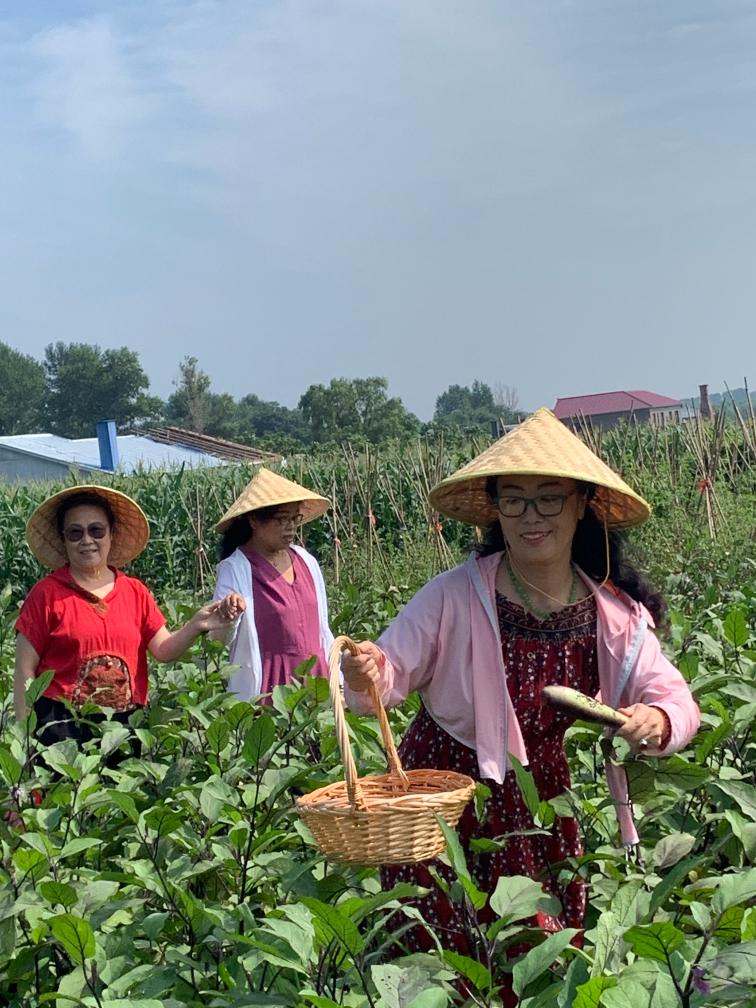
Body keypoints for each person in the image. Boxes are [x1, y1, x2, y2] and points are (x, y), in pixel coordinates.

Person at [341, 408, 700, 1000]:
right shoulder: (453, 595)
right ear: (496, 510)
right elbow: (389, 671)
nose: (532, 516)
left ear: (580, 504)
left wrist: (658, 719)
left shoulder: (612, 612)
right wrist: (367, 669)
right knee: (439, 963)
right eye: (514, 500)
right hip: (447, 800)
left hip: (542, 805)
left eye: (549, 499)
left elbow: (673, 696)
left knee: (539, 959)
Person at [14, 485, 244, 746]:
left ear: (111, 534)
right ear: (64, 539)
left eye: (96, 530)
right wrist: (24, 737)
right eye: (75, 533)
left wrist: (197, 624)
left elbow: (163, 650)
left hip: (123, 725)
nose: (86, 540)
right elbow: (24, 669)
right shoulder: (46, 595)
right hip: (60, 726)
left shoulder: (134, 592)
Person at [212, 467, 333, 701]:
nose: (291, 526)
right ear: (254, 521)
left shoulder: (306, 561)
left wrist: (338, 681)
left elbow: (323, 630)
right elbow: (218, 641)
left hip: (317, 683)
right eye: (281, 519)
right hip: (268, 687)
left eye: (294, 518)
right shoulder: (236, 568)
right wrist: (228, 616)